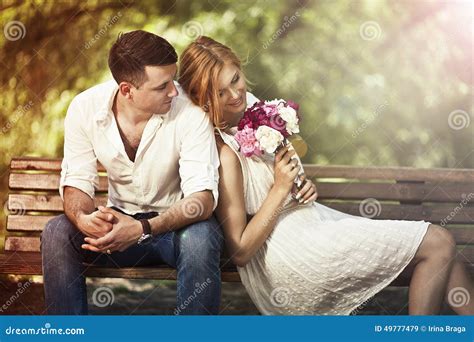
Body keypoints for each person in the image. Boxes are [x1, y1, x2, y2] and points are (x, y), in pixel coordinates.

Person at [177, 36, 474, 315]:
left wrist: (301, 186)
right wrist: (281, 189)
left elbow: (279, 180)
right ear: (203, 99)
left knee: (446, 253)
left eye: (235, 79)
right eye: (220, 92)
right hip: (290, 249)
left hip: (314, 222)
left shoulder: (254, 111)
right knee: (437, 242)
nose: (235, 94)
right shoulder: (224, 152)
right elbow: (240, 250)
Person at [41, 31, 223, 315]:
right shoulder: (85, 108)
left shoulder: (190, 112)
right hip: (117, 226)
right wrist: (84, 218)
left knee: (200, 237)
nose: (174, 91)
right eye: (162, 86)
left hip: (173, 230)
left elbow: (203, 199)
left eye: (173, 80)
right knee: (57, 232)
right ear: (127, 90)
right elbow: (77, 181)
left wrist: (141, 229)